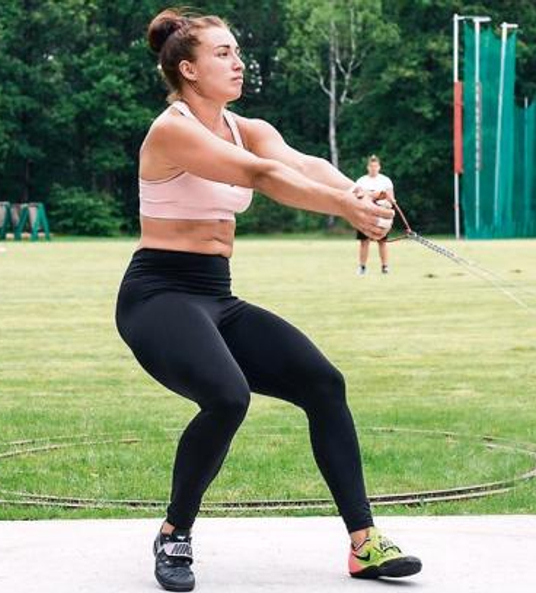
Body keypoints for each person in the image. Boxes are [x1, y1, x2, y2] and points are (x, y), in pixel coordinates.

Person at [114, 9, 420, 591]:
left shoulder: (244, 125)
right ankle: (174, 533)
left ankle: (365, 545)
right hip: (157, 296)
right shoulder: (173, 129)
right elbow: (258, 175)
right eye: (223, 53)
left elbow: (300, 164)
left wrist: (361, 190)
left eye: (237, 51)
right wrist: (345, 211)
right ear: (189, 69)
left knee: (323, 383)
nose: (237, 61)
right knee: (227, 397)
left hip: (215, 296)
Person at [355, 155, 396, 275]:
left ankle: (385, 266)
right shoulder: (361, 181)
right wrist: (372, 196)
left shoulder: (385, 180)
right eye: (371, 166)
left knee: (382, 241)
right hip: (365, 213)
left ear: (379, 167)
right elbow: (357, 196)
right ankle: (362, 267)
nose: (373, 168)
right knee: (364, 241)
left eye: (375, 166)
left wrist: (385, 201)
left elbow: (391, 198)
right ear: (368, 167)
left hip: (380, 213)